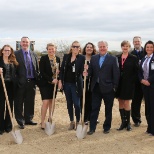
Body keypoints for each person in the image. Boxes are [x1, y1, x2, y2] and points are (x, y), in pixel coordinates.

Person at [87, 41, 120, 135]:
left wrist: (114, 87)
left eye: (103, 46)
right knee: (94, 108)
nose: (102, 48)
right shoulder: (94, 58)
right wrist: (86, 73)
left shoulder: (112, 59)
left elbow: (116, 74)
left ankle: (107, 127)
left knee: (108, 109)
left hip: (108, 88)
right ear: (98, 48)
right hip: (96, 87)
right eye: (100, 47)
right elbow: (90, 72)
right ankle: (92, 128)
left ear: (107, 47)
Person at [58, 41, 85, 130]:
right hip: (66, 84)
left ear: (79, 48)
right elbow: (62, 70)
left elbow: (82, 71)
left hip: (76, 84)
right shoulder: (66, 57)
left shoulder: (82, 58)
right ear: (71, 47)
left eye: (78, 47)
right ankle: (72, 121)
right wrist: (60, 81)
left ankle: (78, 121)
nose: (76, 48)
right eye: (74, 46)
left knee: (77, 104)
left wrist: (85, 71)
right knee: (69, 103)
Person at [14, 36, 39, 129]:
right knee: (19, 102)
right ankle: (20, 121)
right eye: (23, 42)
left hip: (31, 82)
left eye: (26, 42)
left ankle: (28, 119)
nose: (25, 43)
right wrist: (17, 80)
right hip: (20, 83)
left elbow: (36, 68)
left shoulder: (34, 54)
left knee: (30, 102)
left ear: (29, 43)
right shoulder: (16, 54)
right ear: (20, 43)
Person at [116, 40, 138, 131]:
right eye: (123, 46)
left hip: (129, 83)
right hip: (119, 83)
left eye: (127, 46)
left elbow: (136, 71)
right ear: (121, 47)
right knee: (120, 102)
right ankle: (123, 122)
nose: (125, 48)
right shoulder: (117, 57)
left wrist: (132, 81)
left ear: (129, 47)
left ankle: (128, 123)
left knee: (127, 102)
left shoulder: (133, 58)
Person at [39, 43, 60, 129]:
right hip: (44, 83)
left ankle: (50, 119)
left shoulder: (58, 59)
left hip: (53, 85)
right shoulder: (43, 59)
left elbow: (59, 70)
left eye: (53, 49)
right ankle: (42, 121)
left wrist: (58, 73)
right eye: (49, 49)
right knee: (45, 102)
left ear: (55, 49)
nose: (51, 50)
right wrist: (51, 80)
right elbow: (42, 72)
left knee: (52, 102)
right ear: (47, 50)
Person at [0, 45, 18, 135]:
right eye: (5, 50)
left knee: (10, 106)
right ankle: (0, 127)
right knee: (1, 106)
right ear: (2, 51)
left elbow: (16, 74)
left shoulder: (13, 61)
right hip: (1, 86)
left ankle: (8, 126)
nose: (7, 52)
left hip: (11, 86)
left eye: (9, 50)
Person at [139, 40, 154, 136]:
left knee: (153, 107)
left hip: (152, 85)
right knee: (148, 107)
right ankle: (149, 127)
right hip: (144, 86)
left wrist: (149, 80)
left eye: (151, 47)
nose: (149, 49)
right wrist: (141, 80)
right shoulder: (143, 58)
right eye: (147, 47)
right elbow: (139, 71)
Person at [131, 36, 145, 127]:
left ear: (141, 42)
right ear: (133, 43)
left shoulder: (147, 51)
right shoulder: (130, 54)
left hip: (148, 81)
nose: (137, 43)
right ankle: (136, 119)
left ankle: (150, 118)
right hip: (136, 81)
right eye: (135, 41)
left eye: (138, 41)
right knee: (136, 101)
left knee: (149, 101)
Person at [81, 42, 97, 123]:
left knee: (93, 100)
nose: (89, 48)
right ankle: (85, 117)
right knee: (84, 99)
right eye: (87, 47)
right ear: (85, 49)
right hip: (83, 82)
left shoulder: (95, 58)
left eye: (91, 47)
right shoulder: (81, 58)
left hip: (93, 82)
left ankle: (93, 117)